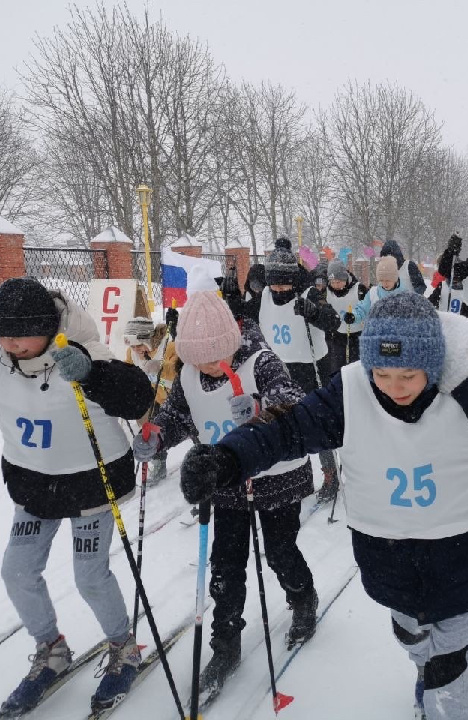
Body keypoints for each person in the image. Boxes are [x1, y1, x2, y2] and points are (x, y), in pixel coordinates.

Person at [177, 293, 468, 720]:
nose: (395, 387)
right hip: (389, 555)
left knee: (449, 659)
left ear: (433, 363)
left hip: (459, 553)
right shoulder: (348, 392)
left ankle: (446, 692)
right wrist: (228, 459)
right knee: (412, 636)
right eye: (382, 373)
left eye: (408, 374)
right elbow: (286, 429)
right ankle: (430, 670)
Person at [0, 278, 154, 715]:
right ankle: (51, 648)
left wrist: (92, 376)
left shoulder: (79, 352)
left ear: (46, 325)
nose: (11, 343)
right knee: (16, 572)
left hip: (91, 483)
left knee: (89, 577)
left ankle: (123, 646)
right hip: (34, 486)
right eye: (3, 333)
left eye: (21, 333)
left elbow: (136, 397)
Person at [132, 290, 318, 690]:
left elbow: (290, 401)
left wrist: (259, 409)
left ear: (231, 346)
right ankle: (225, 643)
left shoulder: (261, 362)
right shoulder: (187, 373)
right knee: (225, 565)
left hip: (276, 477)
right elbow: (178, 415)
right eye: (198, 359)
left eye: (215, 359)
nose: (208, 368)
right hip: (225, 479)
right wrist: (158, 436)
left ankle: (303, 598)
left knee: (280, 551)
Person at [223, 246, 342, 502]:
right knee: (281, 423)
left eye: (284, 285)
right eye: (274, 285)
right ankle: (292, 473)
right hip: (278, 370)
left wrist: (313, 313)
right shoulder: (265, 296)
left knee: (316, 422)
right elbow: (243, 316)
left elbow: (333, 321)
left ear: (292, 280)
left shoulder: (309, 293)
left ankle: (330, 472)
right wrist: (231, 300)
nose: (278, 291)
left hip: (310, 367)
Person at [123, 316, 177, 485]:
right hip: (153, 398)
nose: (135, 349)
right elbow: (127, 371)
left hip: (176, 398)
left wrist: (161, 366)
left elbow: (178, 369)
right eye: (131, 345)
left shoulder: (169, 346)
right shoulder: (132, 352)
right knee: (150, 427)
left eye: (138, 344)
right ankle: (158, 462)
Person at [324, 259, 369, 372]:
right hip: (337, 336)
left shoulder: (359, 289)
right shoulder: (327, 292)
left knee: (357, 366)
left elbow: (368, 308)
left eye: (338, 282)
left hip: (357, 335)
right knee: (338, 367)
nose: (335, 285)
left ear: (345, 278)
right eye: (332, 282)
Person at [351, 255, 411, 323]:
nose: (384, 283)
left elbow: (411, 317)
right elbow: (362, 309)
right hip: (376, 332)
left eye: (387, 280)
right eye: (382, 280)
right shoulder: (373, 293)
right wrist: (354, 316)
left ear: (395, 278)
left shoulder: (405, 295)